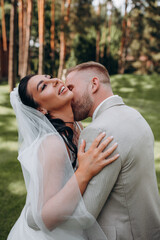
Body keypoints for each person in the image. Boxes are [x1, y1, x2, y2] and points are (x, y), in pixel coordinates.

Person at [7, 74, 119, 240]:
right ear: (41, 110)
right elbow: (48, 218)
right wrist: (84, 172)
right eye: (43, 86)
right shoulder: (53, 144)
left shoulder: (76, 126)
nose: (55, 81)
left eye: (50, 77)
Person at [65, 61, 160, 240]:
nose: (68, 96)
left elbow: (85, 215)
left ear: (93, 84)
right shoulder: (134, 115)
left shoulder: (97, 132)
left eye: (71, 87)